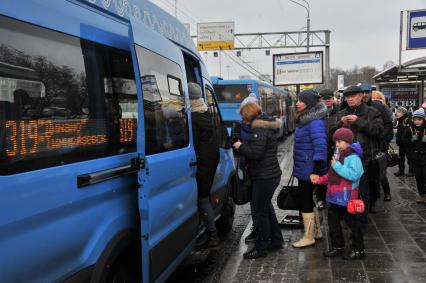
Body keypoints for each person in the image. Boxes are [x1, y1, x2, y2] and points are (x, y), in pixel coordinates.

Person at [233, 101, 284, 259]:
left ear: (249, 115)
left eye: (243, 117)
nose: (243, 120)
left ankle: (261, 248)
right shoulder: (265, 124)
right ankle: (276, 240)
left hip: (265, 177)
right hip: (269, 175)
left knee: (259, 213)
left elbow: (256, 153)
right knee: (266, 209)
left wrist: (240, 146)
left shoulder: (258, 128)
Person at [331, 85, 383, 226]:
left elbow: (378, 131)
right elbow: (331, 134)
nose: (350, 99)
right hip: (344, 162)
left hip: (364, 161)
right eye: (348, 97)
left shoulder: (372, 112)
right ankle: (349, 220)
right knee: (345, 193)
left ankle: (361, 224)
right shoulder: (341, 113)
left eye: (353, 96)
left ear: (361, 96)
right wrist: (341, 123)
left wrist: (359, 121)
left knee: (363, 194)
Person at [314, 128, 365, 260]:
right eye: (336, 141)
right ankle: (338, 247)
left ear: (348, 142)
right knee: (333, 224)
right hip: (334, 197)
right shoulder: (338, 155)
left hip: (347, 198)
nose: (337, 144)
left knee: (353, 225)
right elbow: (332, 175)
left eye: (340, 141)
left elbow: (354, 175)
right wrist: (320, 179)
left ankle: (358, 250)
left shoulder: (353, 157)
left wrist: (336, 166)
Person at [292, 89, 327, 248]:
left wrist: (315, 171)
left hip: (309, 169)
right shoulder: (306, 120)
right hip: (305, 166)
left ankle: (309, 236)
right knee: (307, 199)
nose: (297, 103)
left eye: (301, 100)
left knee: (305, 200)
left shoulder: (314, 122)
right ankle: (316, 232)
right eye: (297, 100)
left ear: (309, 103)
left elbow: (320, 148)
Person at [188, 82, 220, 247]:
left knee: (202, 197)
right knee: (205, 195)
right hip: (211, 160)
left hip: (203, 163)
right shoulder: (206, 111)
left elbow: (194, 146)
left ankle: (212, 234)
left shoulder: (192, 118)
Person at [355, 83, 386, 212]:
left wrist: (384, 140)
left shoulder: (377, 108)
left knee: (373, 181)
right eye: (363, 92)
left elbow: (383, 128)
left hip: (372, 151)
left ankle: (371, 204)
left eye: (367, 92)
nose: (365, 95)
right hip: (354, 153)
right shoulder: (346, 109)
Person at [316, 89, 339, 209]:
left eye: (330, 97)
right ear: (321, 100)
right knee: (322, 174)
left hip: (336, 148)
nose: (328, 100)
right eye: (325, 98)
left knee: (336, 174)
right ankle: (321, 198)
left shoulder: (340, 112)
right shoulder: (316, 114)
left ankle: (335, 197)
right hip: (322, 148)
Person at [371, 90, 393, 201]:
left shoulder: (384, 110)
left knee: (381, 170)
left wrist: (383, 140)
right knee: (378, 170)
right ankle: (381, 192)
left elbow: (389, 128)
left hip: (380, 144)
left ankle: (386, 191)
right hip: (373, 144)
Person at [406, 109, 426, 203]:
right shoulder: (410, 129)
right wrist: (411, 157)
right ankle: (421, 194)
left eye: (419, 119)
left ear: (423, 120)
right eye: (415, 119)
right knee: (419, 177)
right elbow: (407, 145)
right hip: (416, 158)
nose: (417, 121)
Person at [394, 107, 414, 177]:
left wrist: (403, 137)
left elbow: (409, 131)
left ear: (403, 113)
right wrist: (398, 139)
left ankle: (412, 171)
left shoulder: (407, 120)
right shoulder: (400, 120)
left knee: (410, 157)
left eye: (399, 112)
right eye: (397, 112)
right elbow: (399, 132)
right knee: (401, 157)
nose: (397, 113)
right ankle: (401, 171)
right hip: (402, 143)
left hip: (408, 143)